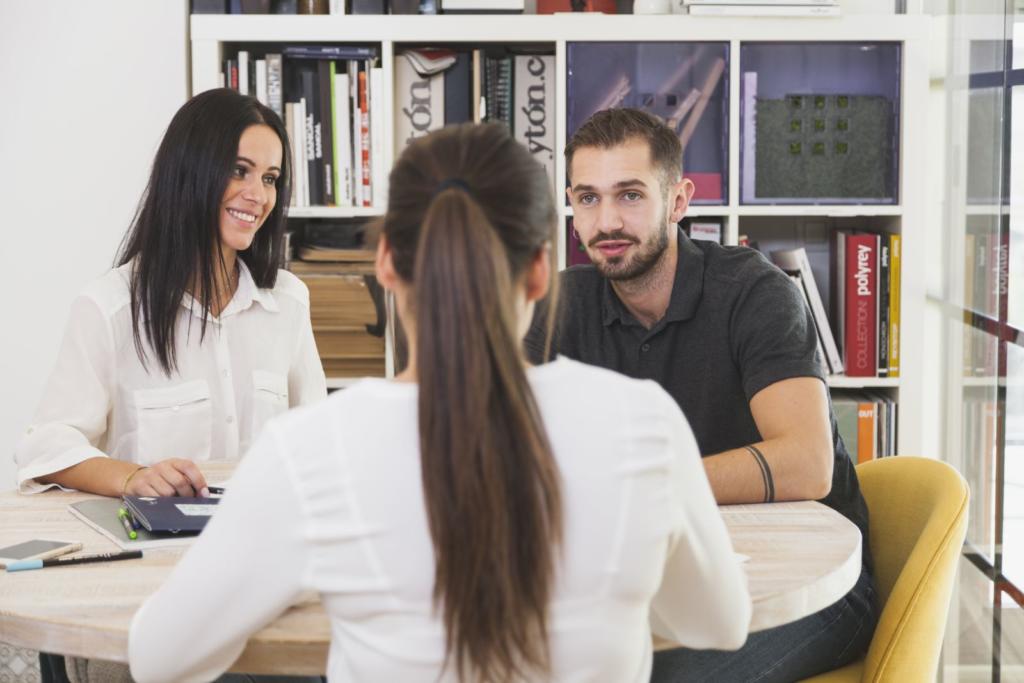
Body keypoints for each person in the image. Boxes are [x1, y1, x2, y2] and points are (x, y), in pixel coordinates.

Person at [127, 122, 750, 683]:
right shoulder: (645, 422)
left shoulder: (310, 452)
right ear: (539, 271)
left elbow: (158, 658)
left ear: (388, 265)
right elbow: (718, 625)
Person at [524, 108, 879, 682]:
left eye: (631, 195)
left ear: (679, 200)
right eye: (588, 199)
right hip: (657, 571)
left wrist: (642, 485)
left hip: (810, 584)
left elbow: (808, 465)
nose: (607, 220)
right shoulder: (563, 303)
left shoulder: (755, 292)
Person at [14, 88, 327, 500]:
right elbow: (46, 445)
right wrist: (131, 477)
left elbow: (320, 438)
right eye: (238, 170)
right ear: (189, 172)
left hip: (266, 541)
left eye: (270, 178)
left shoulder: (288, 301)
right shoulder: (109, 309)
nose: (259, 195)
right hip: (158, 552)